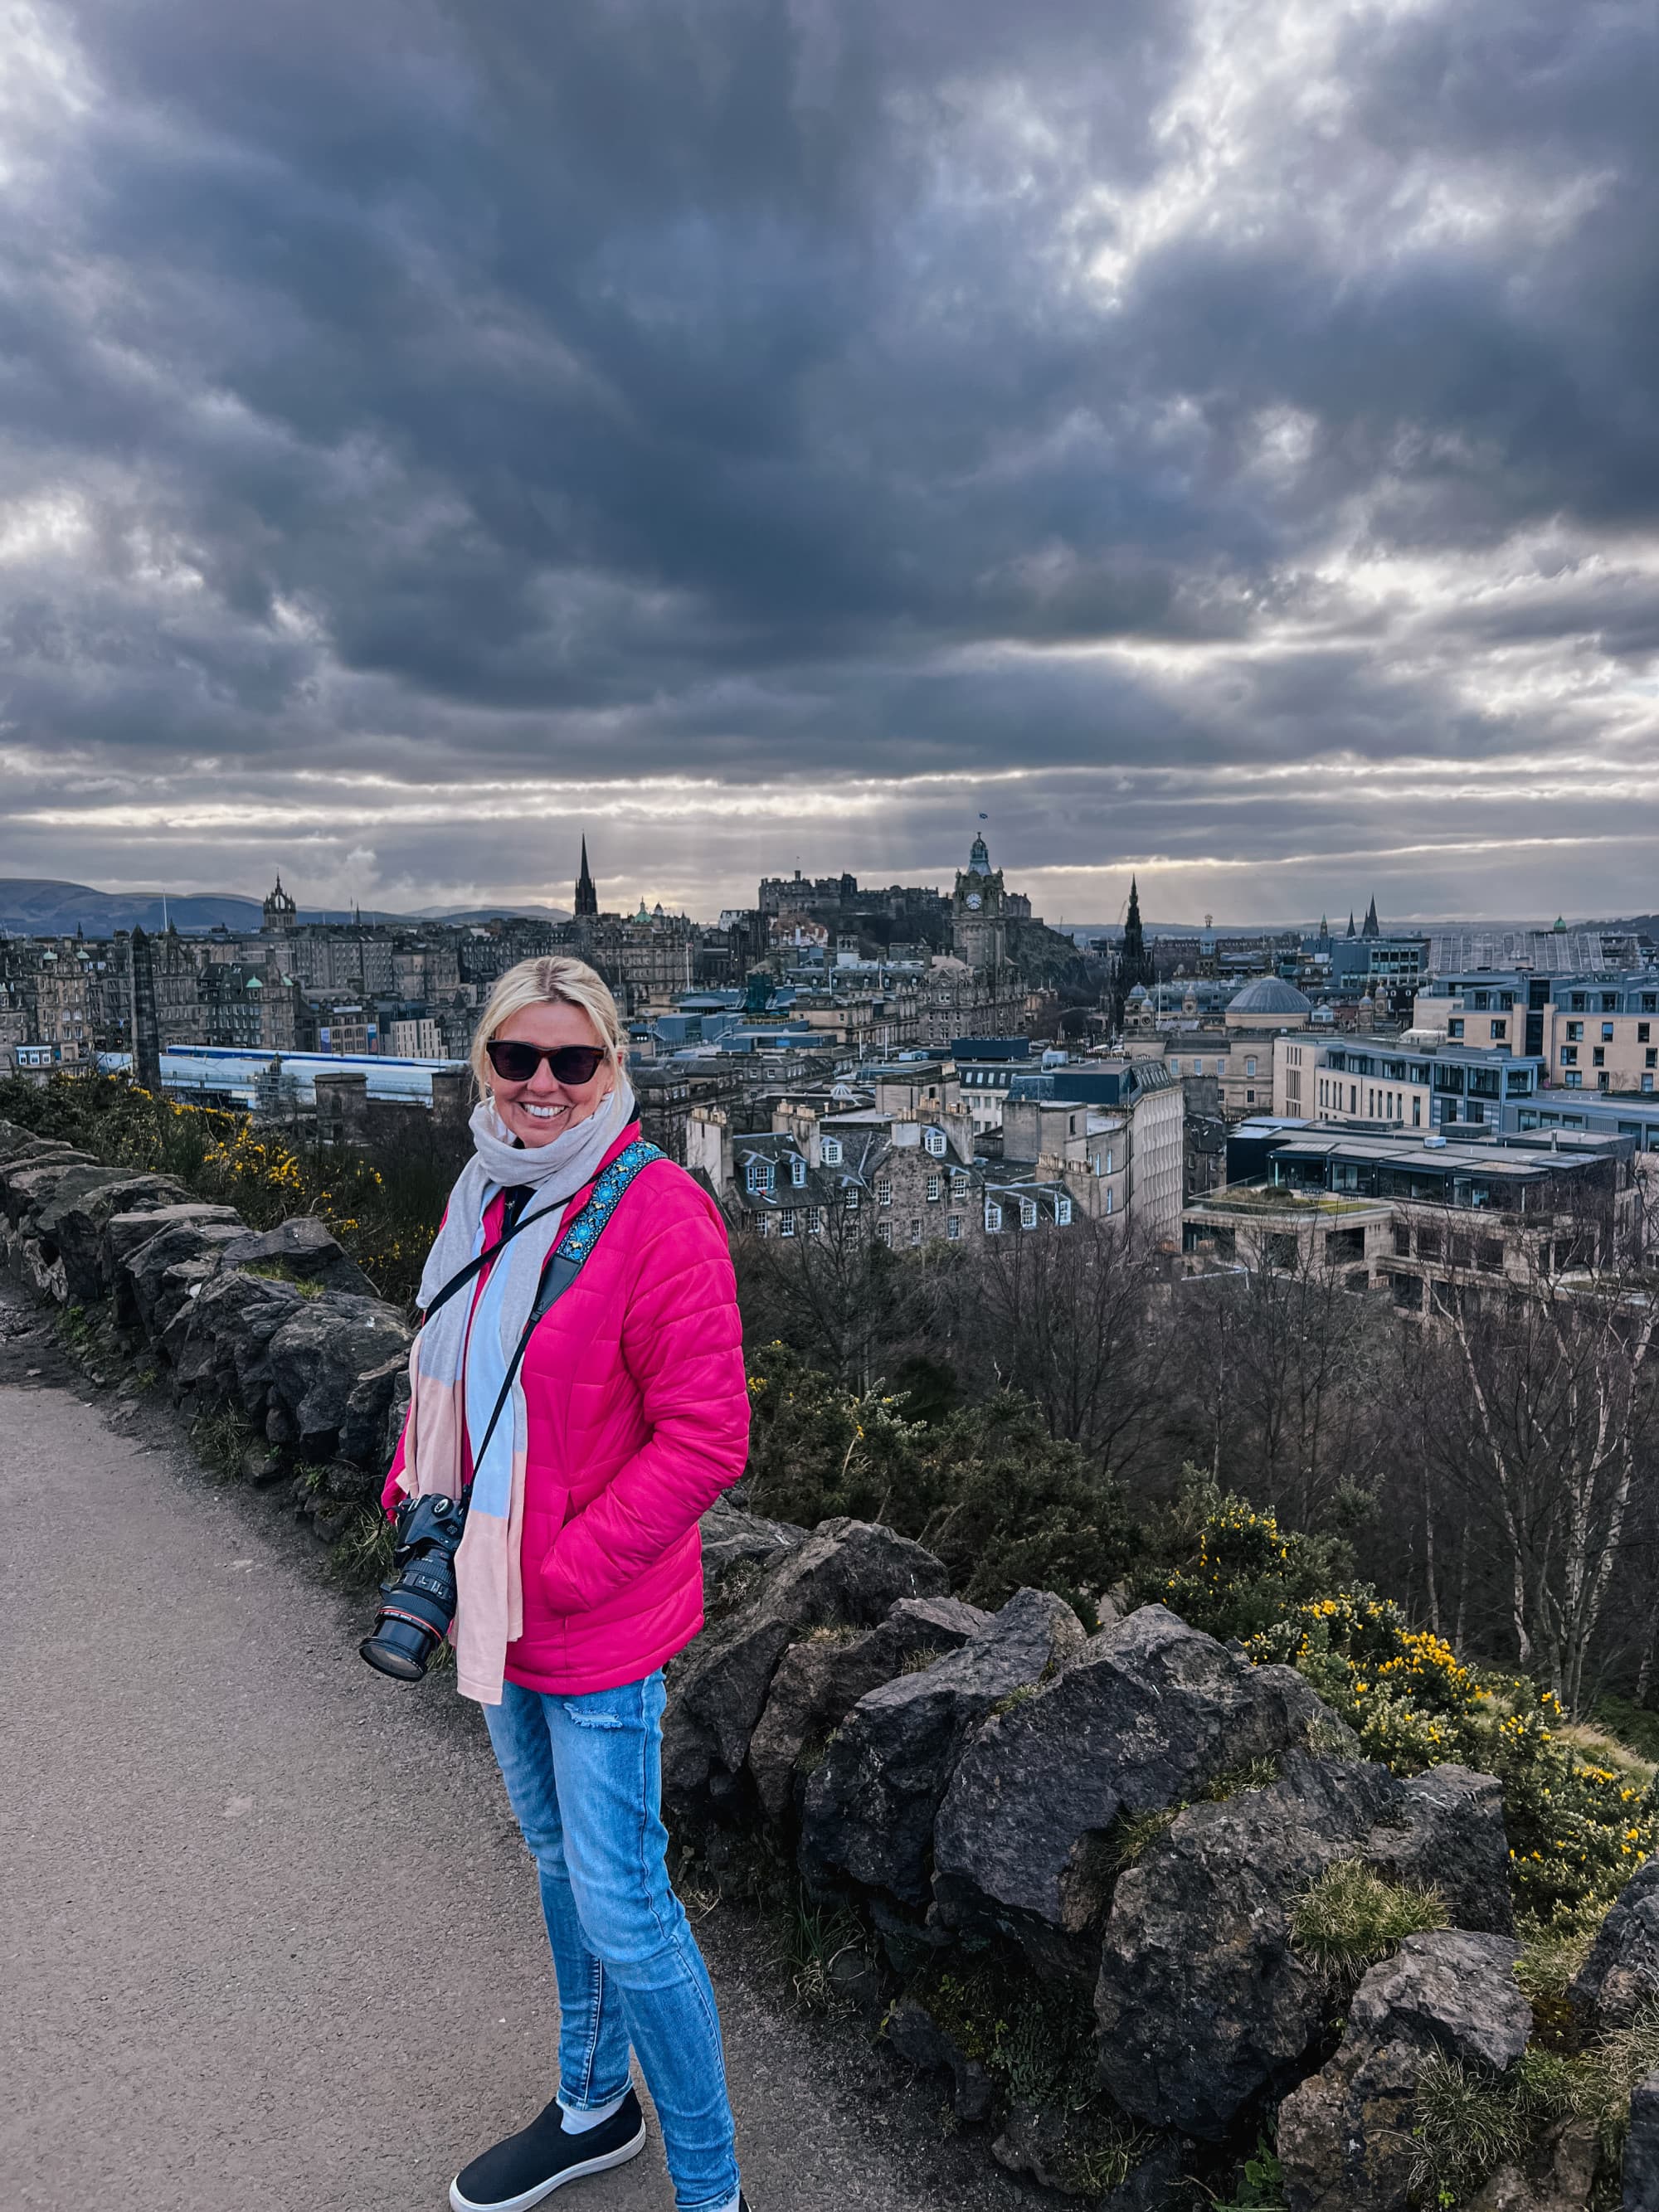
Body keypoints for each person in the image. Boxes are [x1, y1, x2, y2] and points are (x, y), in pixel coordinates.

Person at [382, 955, 752, 2212]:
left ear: (612, 1069)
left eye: (572, 1061)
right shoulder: (481, 1188)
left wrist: (561, 1570)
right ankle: (593, 2106)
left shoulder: (659, 1212)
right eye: (517, 1058)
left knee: (628, 1906)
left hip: (589, 1619)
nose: (543, 1084)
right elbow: (452, 1372)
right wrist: (415, 1503)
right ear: (484, 1064)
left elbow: (709, 1438)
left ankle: (713, 2190)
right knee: (554, 1861)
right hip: (494, 1602)